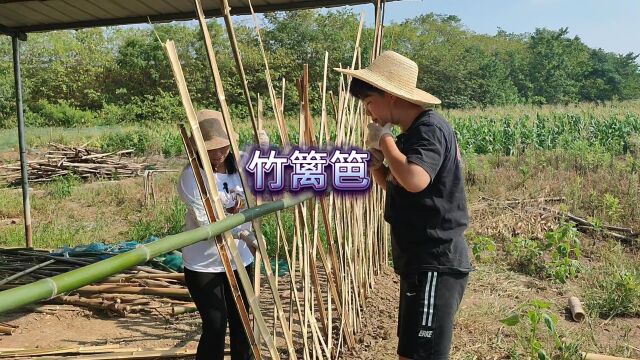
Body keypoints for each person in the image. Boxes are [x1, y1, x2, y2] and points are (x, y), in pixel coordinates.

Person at [335, 51, 472, 360]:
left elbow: (415, 180)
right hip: (420, 261)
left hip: (435, 259)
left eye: (369, 103)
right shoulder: (410, 136)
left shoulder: (429, 130)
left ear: (391, 96)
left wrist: (384, 139)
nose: (369, 113)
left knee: (423, 354)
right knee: (412, 352)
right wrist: (378, 168)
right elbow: (399, 187)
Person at [177, 109, 268, 360]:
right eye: (211, 149)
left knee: (242, 323)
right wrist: (243, 234)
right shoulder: (191, 177)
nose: (218, 153)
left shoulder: (238, 163)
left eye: (223, 147)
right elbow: (208, 222)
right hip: (204, 263)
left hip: (240, 259)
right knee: (216, 324)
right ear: (196, 148)